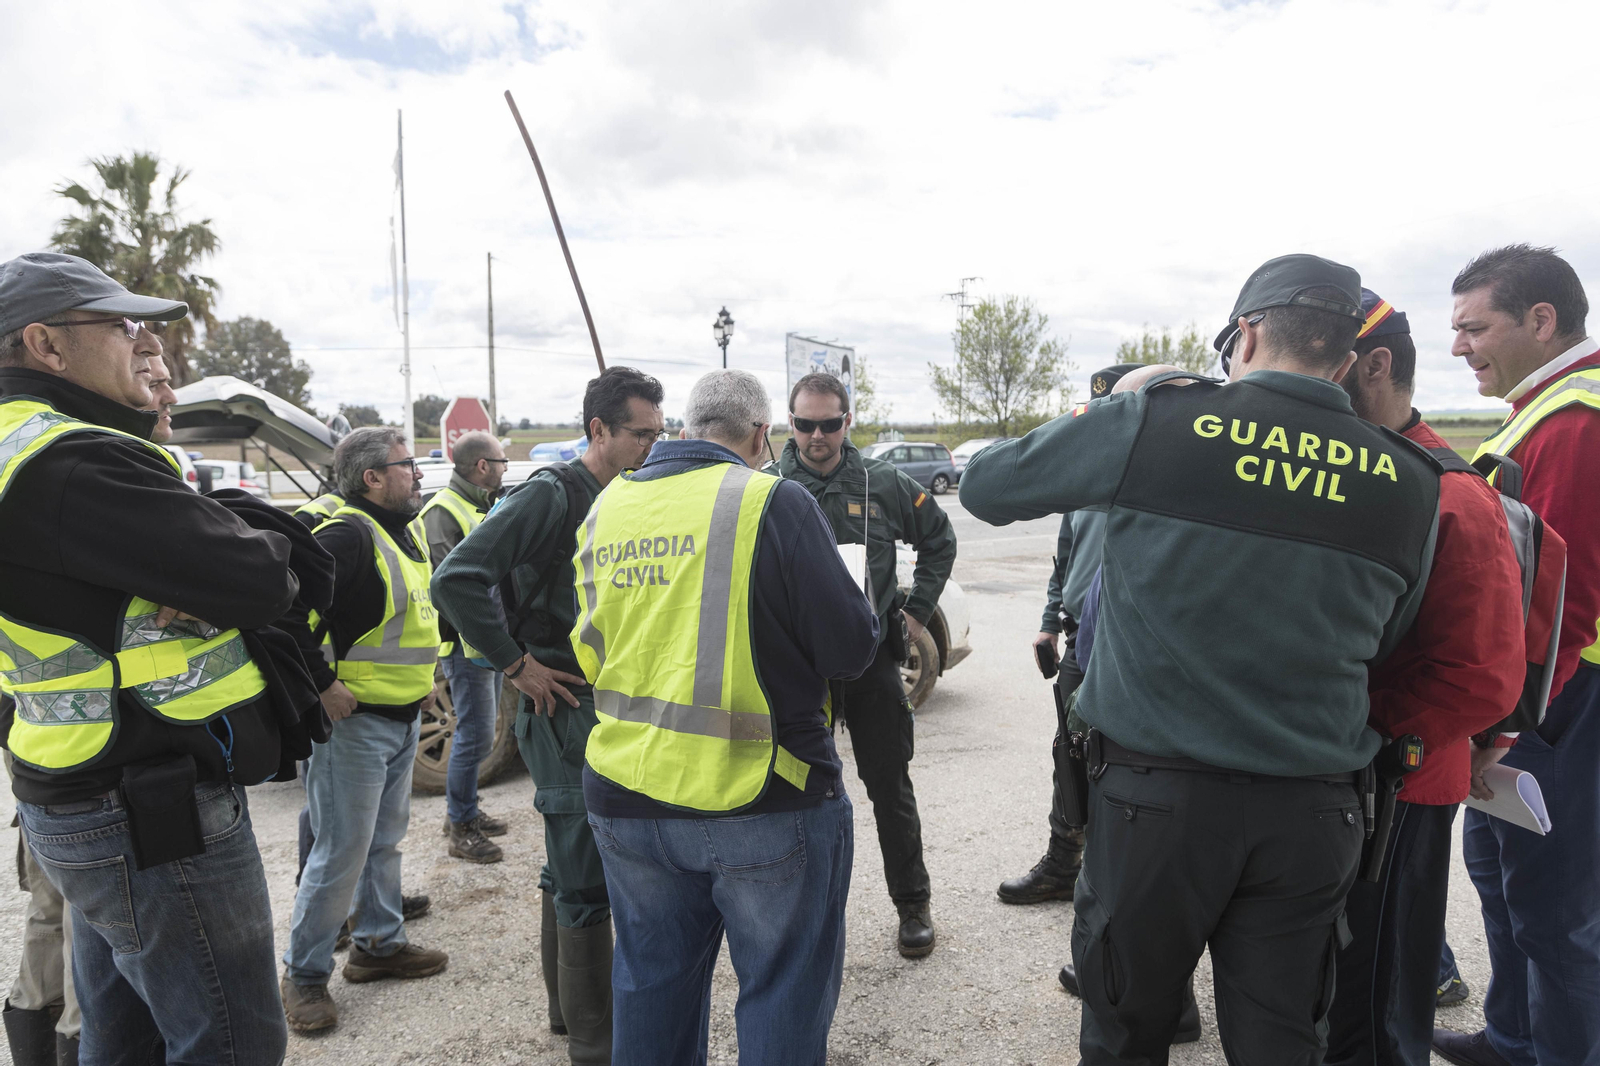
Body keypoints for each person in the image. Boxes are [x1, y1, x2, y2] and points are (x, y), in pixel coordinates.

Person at [961, 253, 1442, 1065]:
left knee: (1127, 1032)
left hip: (1158, 806)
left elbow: (986, 485)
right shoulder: (1409, 478)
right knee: (1284, 1043)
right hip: (1316, 814)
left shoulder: (1154, 422)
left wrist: (1125, 405)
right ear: (1351, 359)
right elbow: (1392, 637)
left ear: (1247, 334)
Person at [0, 252, 323, 1063]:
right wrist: (237, 563)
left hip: (70, 784)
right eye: (122, 324)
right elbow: (260, 579)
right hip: (147, 803)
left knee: (123, 1036)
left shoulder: (24, 449)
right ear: (46, 344)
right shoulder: (71, 460)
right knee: (231, 1040)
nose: (139, 340)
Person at [574, 369, 878, 1066]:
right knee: (781, 993)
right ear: (763, 434)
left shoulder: (608, 505)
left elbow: (590, 646)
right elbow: (849, 647)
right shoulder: (775, 499)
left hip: (627, 796)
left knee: (652, 989)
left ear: (684, 428)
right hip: (760, 796)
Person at [432, 366, 665, 1064]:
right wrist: (513, 664)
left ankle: (569, 1015)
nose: (654, 447)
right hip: (561, 706)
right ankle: (595, 1046)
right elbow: (456, 579)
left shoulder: (623, 490)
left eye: (661, 433)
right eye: (641, 435)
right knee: (583, 869)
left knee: (565, 867)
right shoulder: (551, 494)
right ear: (598, 431)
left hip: (602, 705)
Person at [1324, 289, 1526, 1066]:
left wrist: (1360, 724)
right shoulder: (1350, 468)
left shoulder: (1449, 492)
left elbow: (1481, 678)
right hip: (1345, 774)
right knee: (1335, 978)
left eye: (1318, 365)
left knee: (1379, 997)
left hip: (1400, 779)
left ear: (1374, 366)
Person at [1433, 245, 1600, 1066]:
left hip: (1563, 696)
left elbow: (1564, 601)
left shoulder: (1574, 421)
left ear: (1541, 321)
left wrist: (1501, 725)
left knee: (1553, 907)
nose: (1459, 347)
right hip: (1550, 695)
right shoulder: (1547, 406)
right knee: (1500, 870)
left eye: (1474, 327)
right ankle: (1513, 1037)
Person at [777, 371, 957, 957]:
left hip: (872, 664)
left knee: (889, 787)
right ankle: (799, 920)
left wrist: (917, 613)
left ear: (847, 422)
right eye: (805, 424)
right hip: (799, 675)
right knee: (794, 795)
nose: (817, 436)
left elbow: (939, 540)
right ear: (790, 422)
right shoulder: (768, 488)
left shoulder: (885, 483)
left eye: (829, 424)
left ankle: (913, 905)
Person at [279, 427, 447, 1034]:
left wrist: (424, 677)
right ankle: (303, 976)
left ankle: (377, 947)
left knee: (382, 842)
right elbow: (285, 613)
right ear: (372, 477)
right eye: (408, 465)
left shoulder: (401, 532)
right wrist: (323, 683)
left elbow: (409, 618)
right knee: (341, 852)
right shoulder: (347, 535)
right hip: (355, 725)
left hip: (399, 720)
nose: (420, 474)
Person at [1004, 364, 1140, 905]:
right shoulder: (1086, 481)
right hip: (1080, 641)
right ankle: (1064, 863)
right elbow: (1065, 560)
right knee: (1070, 754)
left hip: (1129, 648)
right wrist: (1046, 622)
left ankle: (1107, 893)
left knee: (1122, 772)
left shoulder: (1160, 479)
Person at [419, 430, 510, 864]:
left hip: (483, 644)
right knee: (473, 736)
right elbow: (450, 589)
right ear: (481, 466)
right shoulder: (443, 511)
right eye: (502, 461)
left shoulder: (479, 504)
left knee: (479, 733)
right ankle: (461, 827)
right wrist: (485, 638)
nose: (505, 468)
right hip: (464, 646)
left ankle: (465, 810)